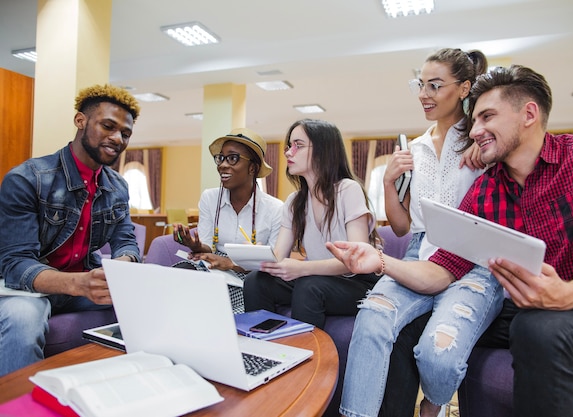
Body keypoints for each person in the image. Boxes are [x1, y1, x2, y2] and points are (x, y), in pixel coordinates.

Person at [328, 64, 573, 417]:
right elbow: (443, 270)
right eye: (475, 120)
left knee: (538, 327)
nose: (476, 130)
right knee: (416, 330)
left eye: (487, 117)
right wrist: (379, 261)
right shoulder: (486, 188)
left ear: (529, 114)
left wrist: (563, 296)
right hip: (520, 309)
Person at [339, 48, 502, 417]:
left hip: (474, 265)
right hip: (419, 254)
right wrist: (389, 183)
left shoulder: (485, 143)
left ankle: (433, 405)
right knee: (372, 318)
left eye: (434, 85)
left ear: (463, 89)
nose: (423, 94)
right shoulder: (415, 148)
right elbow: (401, 226)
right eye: (420, 84)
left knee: (438, 355)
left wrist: (486, 145)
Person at [0, 84, 143, 376]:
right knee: (23, 319)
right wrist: (79, 284)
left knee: (147, 304)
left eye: (125, 133)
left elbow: (126, 241)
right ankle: (16, 406)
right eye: (108, 126)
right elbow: (15, 264)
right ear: (81, 121)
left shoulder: (118, 187)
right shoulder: (27, 179)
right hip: (24, 290)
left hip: (79, 283)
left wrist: (120, 269)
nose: (117, 138)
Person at [243, 118, 379, 329]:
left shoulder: (347, 190)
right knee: (256, 281)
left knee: (309, 285)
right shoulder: (294, 202)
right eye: (289, 146)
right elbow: (279, 256)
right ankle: (263, 347)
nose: (289, 152)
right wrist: (260, 258)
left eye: (298, 145)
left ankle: (307, 358)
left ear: (323, 150)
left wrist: (302, 268)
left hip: (356, 282)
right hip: (316, 278)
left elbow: (356, 260)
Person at [173, 128, 283, 313]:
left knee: (225, 296)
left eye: (232, 158)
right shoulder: (209, 198)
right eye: (221, 158)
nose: (222, 165)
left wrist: (232, 264)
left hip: (252, 274)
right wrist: (195, 245)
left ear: (253, 168)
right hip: (213, 266)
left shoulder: (276, 209)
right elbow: (208, 246)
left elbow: (273, 264)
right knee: (181, 273)